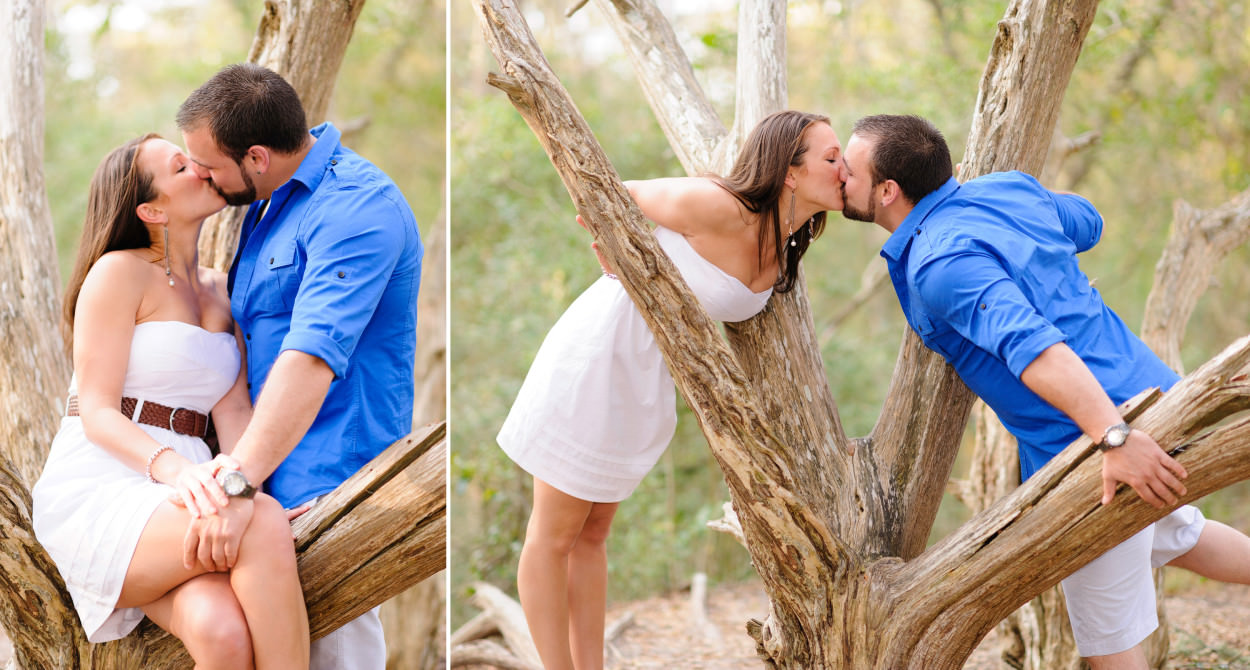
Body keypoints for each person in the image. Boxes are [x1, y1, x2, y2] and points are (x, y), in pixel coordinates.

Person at [838, 113, 1250, 668]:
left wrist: (1115, 439)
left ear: (888, 191)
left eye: (850, 168)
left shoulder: (941, 262)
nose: (840, 173)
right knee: (1180, 536)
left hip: (1095, 445)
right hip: (1149, 399)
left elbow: (1036, 350)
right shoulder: (1005, 189)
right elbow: (1088, 222)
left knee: (1114, 652)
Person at [498, 110, 844, 670]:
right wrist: (612, 250)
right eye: (832, 157)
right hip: (598, 354)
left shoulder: (784, 245)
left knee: (594, 534)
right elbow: (608, 192)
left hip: (647, 376)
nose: (844, 168)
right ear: (790, 172)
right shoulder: (720, 207)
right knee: (554, 534)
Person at [176, 63, 423, 669]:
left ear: (257, 157)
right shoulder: (264, 205)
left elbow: (310, 357)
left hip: (329, 492)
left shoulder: (357, 208)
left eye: (209, 165)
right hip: (262, 492)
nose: (203, 176)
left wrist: (237, 485)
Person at [31, 134, 309, 668]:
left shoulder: (223, 291)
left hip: (193, 487)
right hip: (105, 485)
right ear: (151, 209)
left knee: (221, 632)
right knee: (264, 524)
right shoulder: (117, 273)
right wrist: (184, 475)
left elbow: (233, 414)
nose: (201, 168)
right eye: (182, 166)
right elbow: (96, 412)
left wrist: (249, 489)